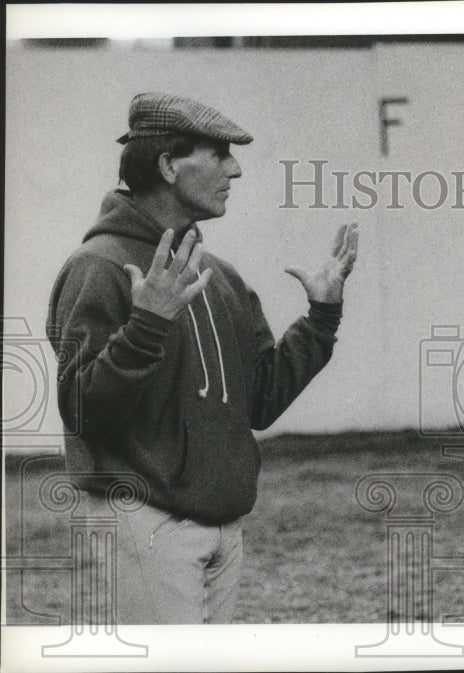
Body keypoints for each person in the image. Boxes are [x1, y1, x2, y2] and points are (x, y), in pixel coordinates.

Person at [46, 92, 358, 624]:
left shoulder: (221, 275)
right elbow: (81, 410)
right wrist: (146, 325)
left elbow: (259, 401)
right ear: (168, 164)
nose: (234, 169)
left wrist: (321, 319)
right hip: (145, 523)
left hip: (224, 527)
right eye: (219, 154)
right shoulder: (98, 266)